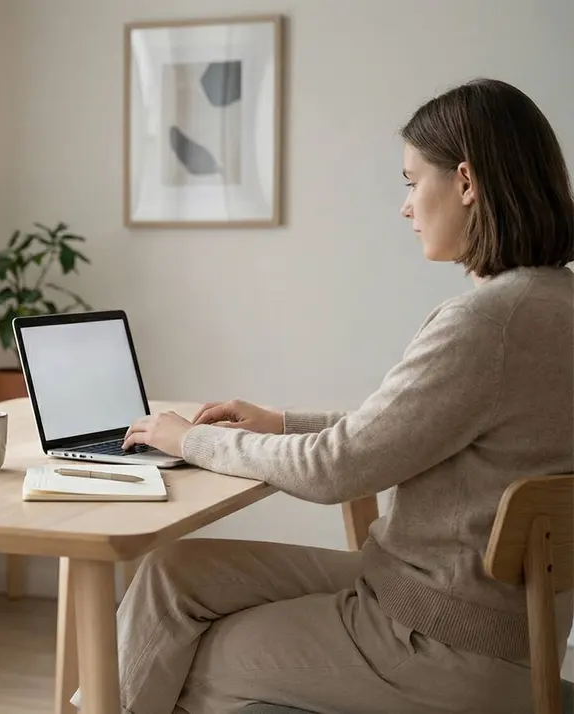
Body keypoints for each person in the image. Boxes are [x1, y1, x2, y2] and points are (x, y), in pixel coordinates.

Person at [100, 78, 574, 713]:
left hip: (434, 642)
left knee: (168, 648)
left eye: (411, 181)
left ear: (465, 182)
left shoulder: (488, 322)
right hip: (478, 617)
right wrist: (279, 423)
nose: (406, 207)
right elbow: (412, 431)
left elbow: (336, 469)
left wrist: (191, 440)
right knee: (170, 575)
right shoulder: (555, 302)